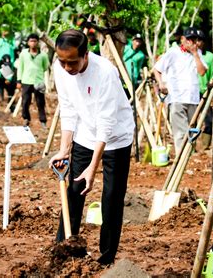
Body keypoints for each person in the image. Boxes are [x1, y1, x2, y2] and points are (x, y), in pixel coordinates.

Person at [50, 29, 134, 265]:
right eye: (62, 61)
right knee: (74, 192)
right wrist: (64, 149)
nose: (67, 68)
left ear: (86, 54)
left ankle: (106, 259)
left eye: (72, 62)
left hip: (116, 138)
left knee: (111, 197)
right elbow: (67, 108)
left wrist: (93, 167)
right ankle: (63, 251)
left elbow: (106, 123)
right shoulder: (60, 68)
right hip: (85, 135)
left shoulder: (105, 72)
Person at [153, 27, 207, 155]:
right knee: (181, 132)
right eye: (189, 39)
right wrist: (161, 83)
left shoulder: (197, 53)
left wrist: (195, 54)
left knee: (192, 130)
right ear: (182, 39)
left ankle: (188, 156)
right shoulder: (173, 52)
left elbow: (202, 72)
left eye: (194, 40)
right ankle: (181, 156)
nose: (191, 42)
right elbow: (157, 69)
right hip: (176, 97)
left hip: (192, 98)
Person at [16, 34, 49, 127]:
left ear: (38, 42)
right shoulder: (23, 54)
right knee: (25, 101)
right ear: (28, 43)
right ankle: (26, 118)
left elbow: (45, 67)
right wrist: (18, 81)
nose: (33, 43)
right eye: (31, 41)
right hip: (26, 81)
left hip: (39, 81)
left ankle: (43, 121)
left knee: (40, 102)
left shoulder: (43, 55)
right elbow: (20, 68)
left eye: (35, 41)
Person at [196, 29, 213, 150]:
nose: (198, 43)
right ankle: (191, 145)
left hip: (205, 91)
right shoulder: (188, 55)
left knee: (209, 120)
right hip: (191, 92)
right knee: (191, 120)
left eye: (200, 40)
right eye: (196, 40)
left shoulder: (210, 57)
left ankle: (205, 146)